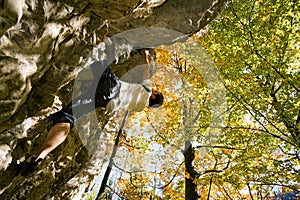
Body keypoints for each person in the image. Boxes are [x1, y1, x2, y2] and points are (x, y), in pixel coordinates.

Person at [20, 49, 164, 176]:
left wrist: (145, 51)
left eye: (156, 92)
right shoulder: (139, 107)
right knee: (69, 116)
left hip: (113, 88)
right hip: (104, 102)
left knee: (98, 59)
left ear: (153, 96)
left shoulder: (148, 89)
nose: (155, 90)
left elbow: (146, 68)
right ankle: (41, 154)